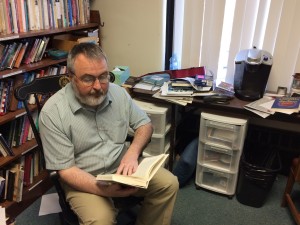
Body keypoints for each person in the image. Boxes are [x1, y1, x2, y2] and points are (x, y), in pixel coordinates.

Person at [39, 42, 179, 225]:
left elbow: (145, 125)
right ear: (71, 77)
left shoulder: (118, 93)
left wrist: (132, 153)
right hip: (83, 177)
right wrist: (105, 191)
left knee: (168, 184)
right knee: (101, 219)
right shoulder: (53, 113)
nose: (98, 86)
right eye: (88, 79)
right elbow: (66, 170)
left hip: (122, 168)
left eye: (103, 76)